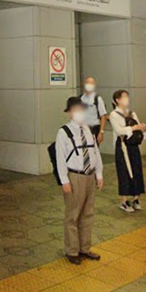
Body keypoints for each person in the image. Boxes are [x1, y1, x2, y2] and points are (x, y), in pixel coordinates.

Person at [55, 97, 104, 265]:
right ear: (69, 113)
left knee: (88, 214)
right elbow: (60, 158)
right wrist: (64, 180)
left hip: (89, 175)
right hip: (74, 177)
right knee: (73, 215)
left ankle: (85, 248)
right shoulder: (64, 132)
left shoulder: (88, 129)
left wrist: (99, 174)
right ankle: (72, 250)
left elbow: (95, 153)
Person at [109, 90, 146, 213]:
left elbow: (139, 128)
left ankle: (136, 198)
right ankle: (124, 201)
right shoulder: (114, 114)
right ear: (117, 100)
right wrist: (134, 128)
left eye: (127, 97)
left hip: (134, 146)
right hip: (122, 147)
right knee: (124, 172)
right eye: (124, 97)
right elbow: (119, 130)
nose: (126, 99)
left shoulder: (132, 113)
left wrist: (142, 128)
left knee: (137, 170)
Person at [80, 77, 108, 143]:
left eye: (91, 83)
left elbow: (103, 116)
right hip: (82, 129)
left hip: (94, 129)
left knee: (94, 150)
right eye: (88, 83)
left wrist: (101, 132)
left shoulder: (97, 99)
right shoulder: (80, 98)